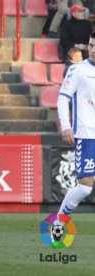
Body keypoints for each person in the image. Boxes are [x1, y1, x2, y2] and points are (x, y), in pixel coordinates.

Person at [54, 32, 95, 237]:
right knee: (86, 187)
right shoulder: (78, 69)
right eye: (91, 45)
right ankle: (59, 222)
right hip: (87, 133)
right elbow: (63, 98)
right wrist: (66, 125)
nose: (93, 49)